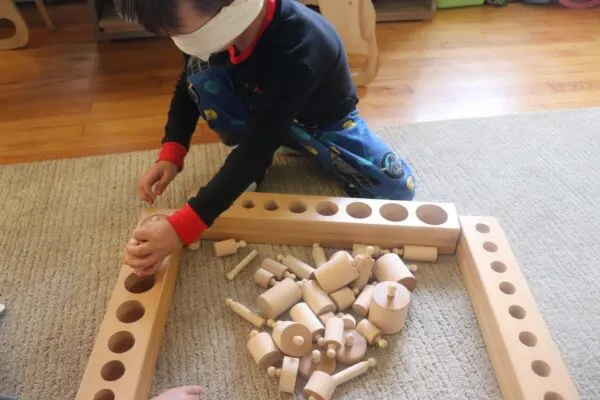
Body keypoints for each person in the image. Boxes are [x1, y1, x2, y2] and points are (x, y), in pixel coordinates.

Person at [117, 0, 416, 276]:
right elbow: (187, 87)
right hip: (261, 103)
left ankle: (288, 145)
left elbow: (257, 150)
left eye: (186, 33)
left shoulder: (299, 47)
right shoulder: (212, 29)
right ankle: (258, 152)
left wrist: (182, 228)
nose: (183, 43)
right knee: (201, 75)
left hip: (318, 121)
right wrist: (172, 151)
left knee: (396, 189)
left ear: (231, 8)